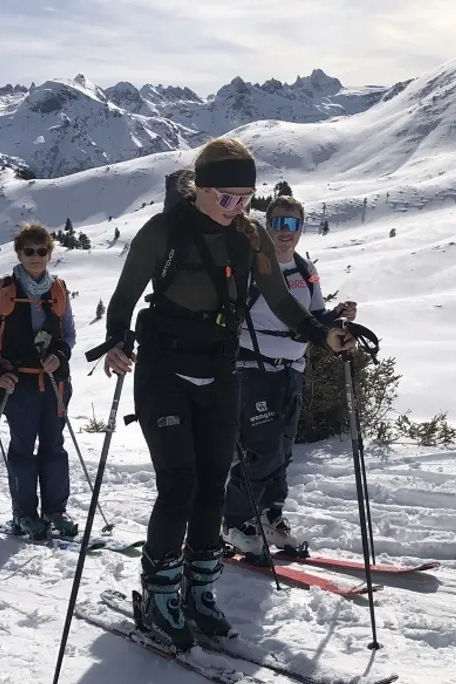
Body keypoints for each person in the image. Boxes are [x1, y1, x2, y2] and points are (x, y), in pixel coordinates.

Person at [99, 137, 355, 650]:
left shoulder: (250, 238)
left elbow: (281, 301)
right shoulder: (164, 231)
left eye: (245, 196)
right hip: (165, 372)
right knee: (179, 486)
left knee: (214, 487)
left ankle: (198, 590)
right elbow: (124, 298)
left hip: (220, 371)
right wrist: (116, 341)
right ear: (201, 188)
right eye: (225, 196)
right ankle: (159, 593)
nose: (235, 206)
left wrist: (321, 334)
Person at [222, 195, 357, 556]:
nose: (285, 232)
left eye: (292, 224)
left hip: (292, 369)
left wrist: (337, 318)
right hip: (254, 366)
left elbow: (313, 318)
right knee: (261, 450)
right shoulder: (255, 265)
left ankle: (270, 516)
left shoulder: (304, 268)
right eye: (278, 223)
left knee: (282, 450)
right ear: (267, 225)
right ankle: (234, 522)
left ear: (301, 228)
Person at [0, 222, 78, 541]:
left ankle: (55, 511)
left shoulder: (58, 289)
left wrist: (60, 357)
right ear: (19, 253)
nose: (36, 257)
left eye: (42, 251)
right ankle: (24, 514)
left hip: (54, 384)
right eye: (29, 251)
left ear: (50, 253)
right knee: (22, 449)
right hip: (18, 385)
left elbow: (69, 335)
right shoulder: (2, 289)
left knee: (54, 447)